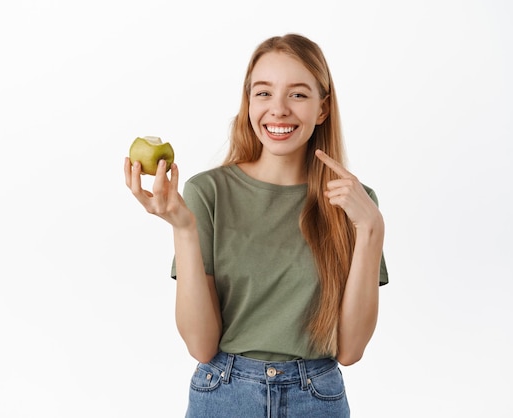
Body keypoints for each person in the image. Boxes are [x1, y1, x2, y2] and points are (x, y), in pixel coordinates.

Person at [124, 33, 389, 418]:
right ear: (248, 102)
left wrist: (372, 231)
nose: (278, 109)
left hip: (316, 398)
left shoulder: (355, 203)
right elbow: (201, 345)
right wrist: (183, 229)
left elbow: (351, 351)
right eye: (263, 93)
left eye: (297, 94)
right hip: (224, 394)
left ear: (322, 109)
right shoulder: (207, 192)